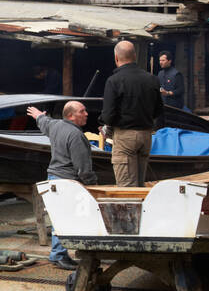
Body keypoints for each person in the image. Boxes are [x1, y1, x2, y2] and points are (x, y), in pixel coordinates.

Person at [27, 101, 97, 271]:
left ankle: (60, 254)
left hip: (54, 178)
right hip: (68, 181)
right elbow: (83, 168)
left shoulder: (55, 125)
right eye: (82, 111)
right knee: (64, 218)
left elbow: (43, 122)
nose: (87, 113)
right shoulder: (76, 136)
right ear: (71, 116)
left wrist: (38, 114)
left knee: (60, 217)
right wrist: (93, 185)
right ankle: (58, 255)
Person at [100, 40, 164, 187]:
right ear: (134, 56)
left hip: (125, 136)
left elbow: (108, 116)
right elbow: (159, 110)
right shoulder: (152, 79)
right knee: (140, 184)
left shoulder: (114, 81)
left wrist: (106, 128)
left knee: (126, 187)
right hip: (146, 135)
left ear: (116, 57)